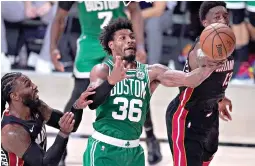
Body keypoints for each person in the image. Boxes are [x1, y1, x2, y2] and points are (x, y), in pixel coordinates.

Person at [82, 18, 224, 166]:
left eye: (132, 37)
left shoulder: (151, 72)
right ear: (111, 45)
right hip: (104, 148)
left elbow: (189, 80)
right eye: (123, 38)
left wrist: (209, 67)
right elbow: (92, 102)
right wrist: (111, 81)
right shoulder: (102, 70)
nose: (130, 40)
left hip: (133, 151)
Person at [50, 1, 162, 165]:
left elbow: (135, 11)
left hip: (118, 42)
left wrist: (139, 45)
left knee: (135, 89)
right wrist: (53, 47)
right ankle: (61, 145)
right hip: (89, 43)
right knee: (80, 93)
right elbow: (59, 17)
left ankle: (151, 137)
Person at [165, 2, 234, 166]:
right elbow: (201, 56)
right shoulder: (202, 47)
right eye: (217, 17)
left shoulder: (226, 43)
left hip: (209, 113)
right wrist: (207, 61)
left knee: (206, 159)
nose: (223, 20)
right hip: (187, 114)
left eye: (225, 16)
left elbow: (217, 77)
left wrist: (220, 98)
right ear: (205, 23)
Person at [1, 72, 94, 166]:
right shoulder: (12, 132)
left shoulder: (37, 107)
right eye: (28, 85)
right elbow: (45, 164)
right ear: (15, 96)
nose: (34, 86)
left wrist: (77, 106)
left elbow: (71, 126)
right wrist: (63, 133)